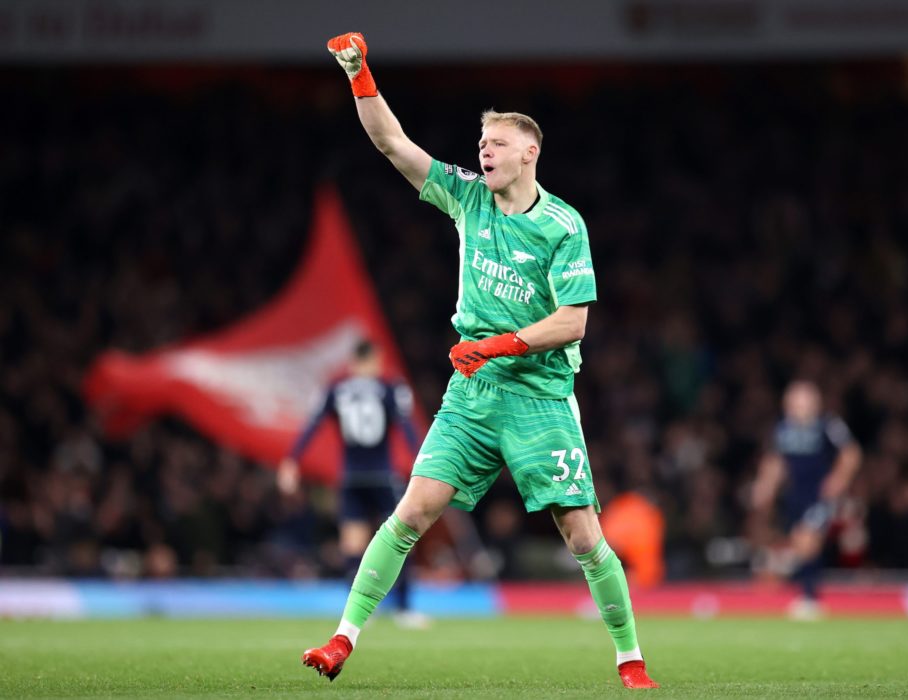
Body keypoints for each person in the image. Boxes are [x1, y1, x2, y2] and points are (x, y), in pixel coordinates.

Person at [299, 32, 658, 690]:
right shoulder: (467, 198)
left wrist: (498, 343)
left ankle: (629, 658)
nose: (483, 152)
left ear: (530, 152)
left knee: (582, 537)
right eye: (480, 145)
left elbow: (574, 321)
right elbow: (392, 144)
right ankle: (341, 639)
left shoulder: (563, 226)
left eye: (495, 144)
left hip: (540, 396)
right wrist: (360, 74)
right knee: (412, 511)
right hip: (472, 394)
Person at [277, 339, 427, 627]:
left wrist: (291, 460)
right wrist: (423, 463)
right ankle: (405, 609)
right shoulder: (390, 387)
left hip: (351, 477)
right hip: (383, 475)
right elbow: (408, 430)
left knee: (352, 543)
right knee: (402, 538)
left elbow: (312, 425)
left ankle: (356, 614)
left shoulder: (336, 389)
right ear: (371, 361)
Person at [751, 380, 863, 620]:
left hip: (819, 495)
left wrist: (838, 479)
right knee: (799, 543)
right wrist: (766, 485)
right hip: (794, 496)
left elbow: (851, 453)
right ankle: (807, 594)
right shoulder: (782, 429)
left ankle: (810, 597)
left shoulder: (828, 425)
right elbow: (774, 461)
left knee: (806, 538)